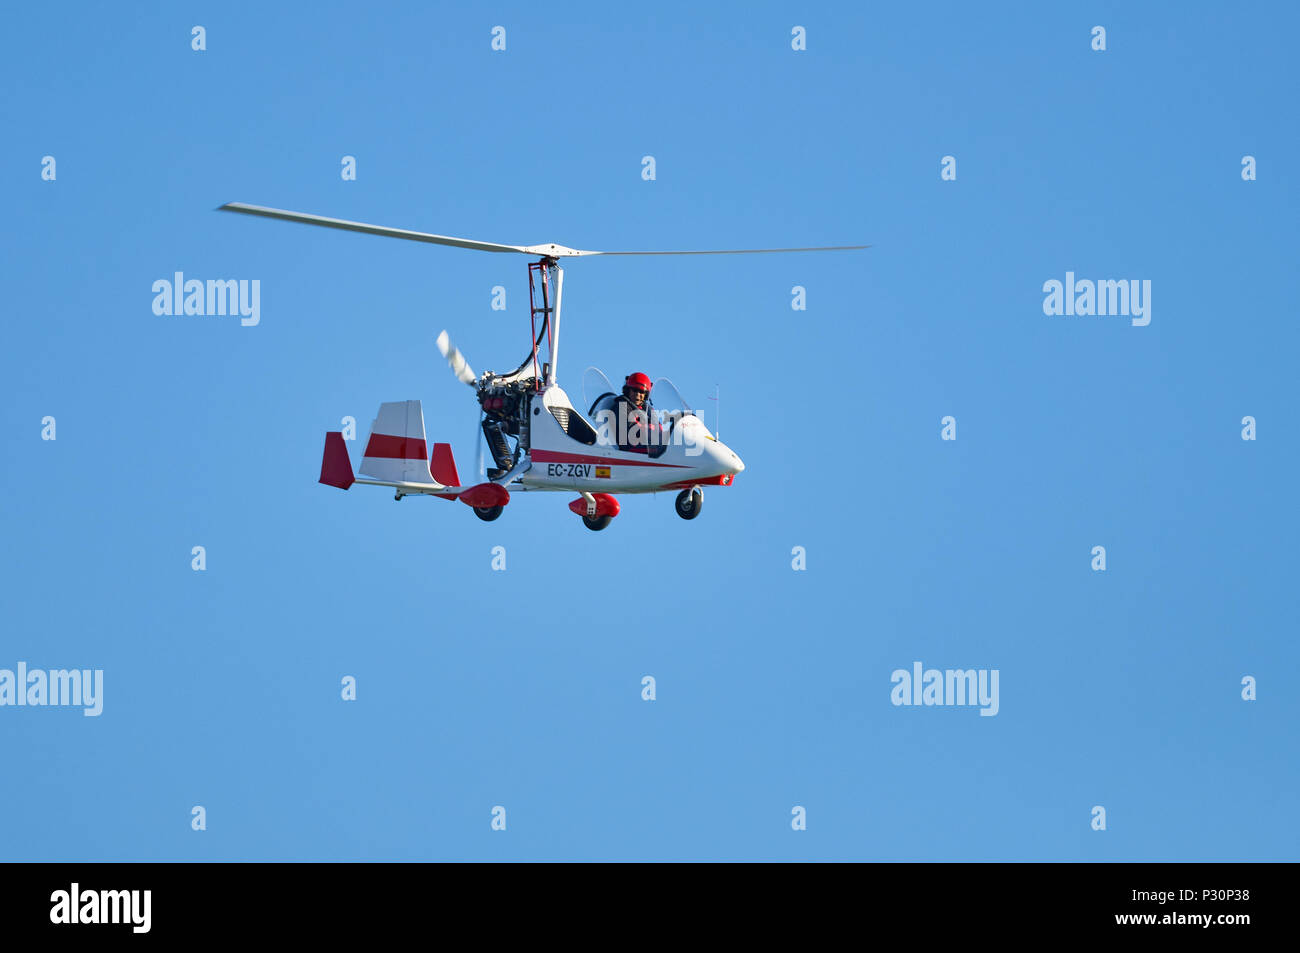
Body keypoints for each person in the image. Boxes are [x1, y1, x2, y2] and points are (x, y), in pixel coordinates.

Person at [611, 372, 661, 453]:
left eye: (641, 392)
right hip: (629, 450)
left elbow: (660, 430)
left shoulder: (647, 409)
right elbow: (632, 432)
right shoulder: (622, 407)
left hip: (644, 446)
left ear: (646, 395)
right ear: (628, 391)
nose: (638, 394)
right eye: (634, 390)